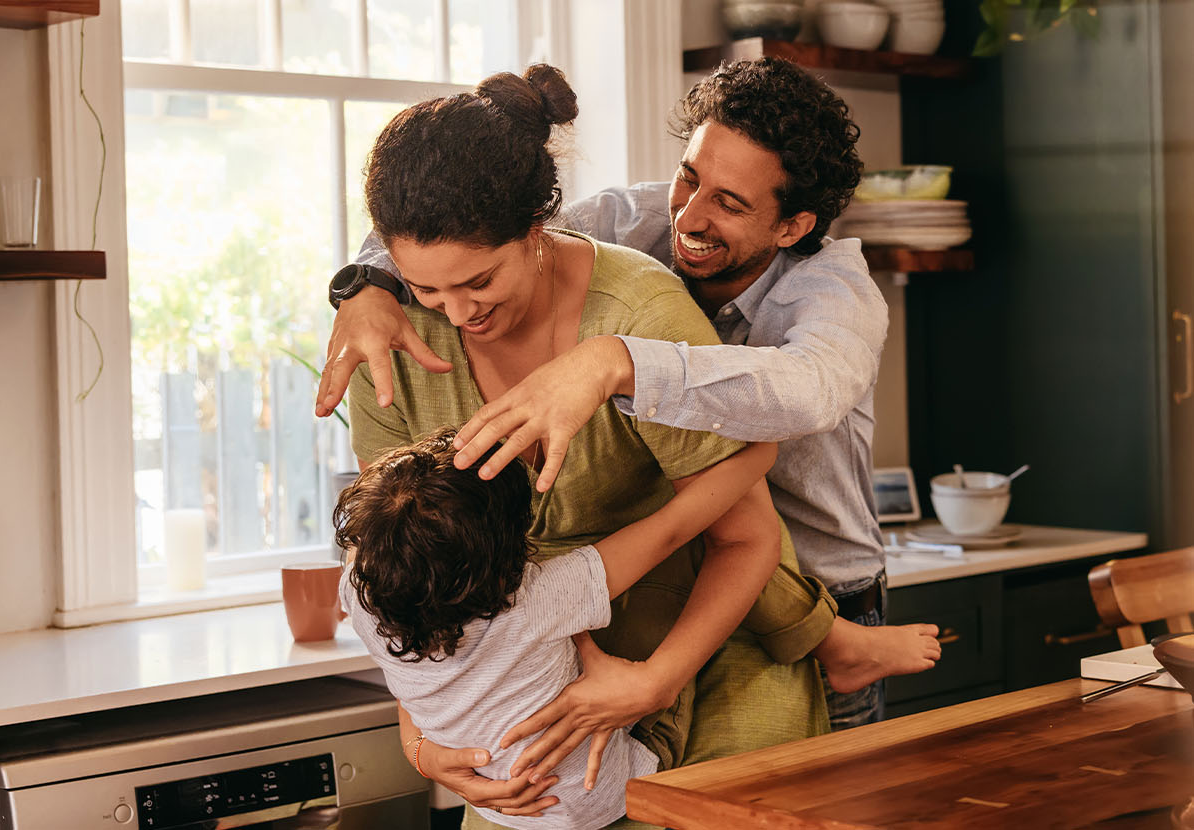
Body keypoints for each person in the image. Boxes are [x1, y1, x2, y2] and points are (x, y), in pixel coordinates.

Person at [340, 63, 928, 828]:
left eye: (729, 202)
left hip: (811, 570)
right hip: (597, 626)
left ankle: (833, 641)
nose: (689, 215)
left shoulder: (825, 294)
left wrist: (613, 362)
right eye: (688, 179)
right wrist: (362, 287)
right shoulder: (623, 223)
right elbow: (443, 218)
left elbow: (803, 402)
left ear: (793, 226)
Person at [338, 429, 780, 830]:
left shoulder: (360, 599)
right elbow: (671, 529)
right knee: (681, 568)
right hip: (611, 791)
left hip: (504, 804)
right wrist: (760, 454)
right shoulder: (537, 599)